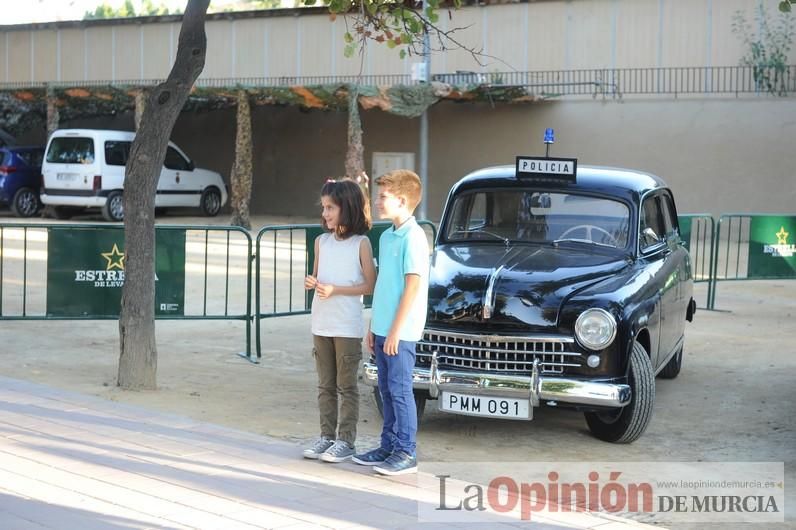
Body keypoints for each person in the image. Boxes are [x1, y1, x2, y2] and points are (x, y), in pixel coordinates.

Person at [352, 169, 429, 476]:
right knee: (385, 390)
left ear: (401, 199)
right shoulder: (386, 237)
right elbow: (385, 284)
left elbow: (412, 286)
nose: (378, 201)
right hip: (383, 329)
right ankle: (388, 446)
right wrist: (374, 325)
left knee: (399, 390)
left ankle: (406, 451)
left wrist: (396, 330)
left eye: (383, 196)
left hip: (402, 331)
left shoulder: (414, 237)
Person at [302, 178, 376, 463]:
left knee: (347, 386)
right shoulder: (321, 242)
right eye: (324, 208)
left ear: (348, 207)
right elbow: (319, 276)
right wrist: (313, 282)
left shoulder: (362, 244)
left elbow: (369, 285)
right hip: (321, 322)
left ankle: (346, 440)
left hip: (346, 325)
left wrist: (336, 290)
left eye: (330, 207)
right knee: (325, 385)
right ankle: (326, 436)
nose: (325, 214)